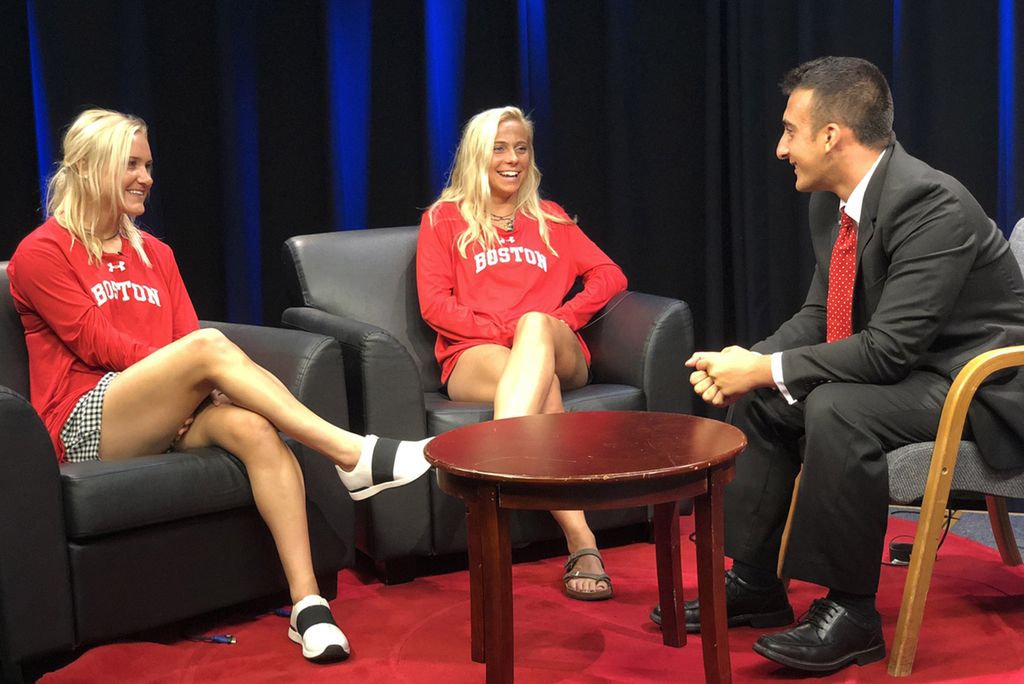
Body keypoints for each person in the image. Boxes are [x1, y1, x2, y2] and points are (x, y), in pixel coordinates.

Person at [7, 108, 434, 664]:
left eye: (149, 165)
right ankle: (347, 450)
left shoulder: (154, 254)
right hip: (87, 419)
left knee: (253, 427)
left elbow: (184, 332)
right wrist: (189, 376)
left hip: (168, 410)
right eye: (131, 165)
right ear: (91, 169)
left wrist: (194, 388)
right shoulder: (41, 252)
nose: (147, 178)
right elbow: (99, 346)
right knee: (207, 349)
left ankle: (308, 606)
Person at [650, 56, 1024, 673]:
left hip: (980, 385)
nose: (779, 148)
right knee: (772, 398)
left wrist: (768, 368)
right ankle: (756, 582)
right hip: (915, 370)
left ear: (832, 135)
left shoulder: (933, 204)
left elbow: (888, 349)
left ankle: (850, 613)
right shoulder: (834, 202)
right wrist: (750, 361)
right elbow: (823, 314)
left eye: (790, 131)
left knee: (836, 406)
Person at [416, 106, 628, 601]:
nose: (512, 159)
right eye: (499, 147)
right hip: (476, 354)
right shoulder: (444, 220)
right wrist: (500, 331)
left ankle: (496, 481)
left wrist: (563, 319)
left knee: (537, 325)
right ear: (477, 154)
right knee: (540, 382)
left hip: (554, 344)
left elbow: (610, 275)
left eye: (521, 148)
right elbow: (435, 304)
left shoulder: (550, 218)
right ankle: (582, 540)